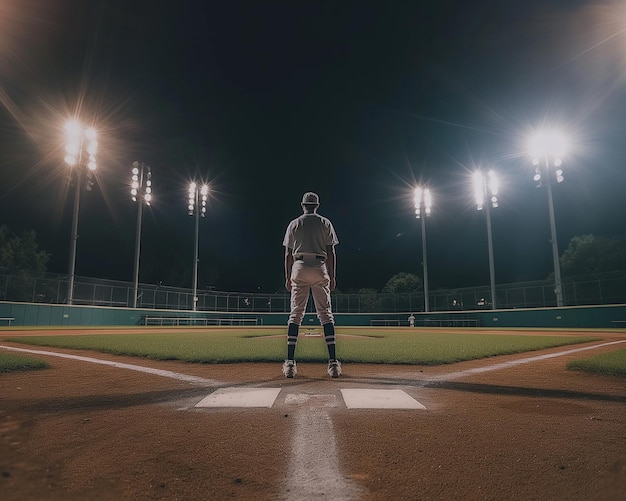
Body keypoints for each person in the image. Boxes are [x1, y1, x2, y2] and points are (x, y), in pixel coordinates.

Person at [282, 192, 340, 378]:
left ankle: (290, 364)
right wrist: (332, 276)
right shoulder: (325, 222)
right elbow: (331, 253)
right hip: (319, 266)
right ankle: (333, 364)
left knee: (296, 314)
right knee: (325, 314)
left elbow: (287, 255)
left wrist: (287, 277)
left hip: (299, 266)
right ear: (317, 205)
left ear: (302, 205)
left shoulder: (294, 223)